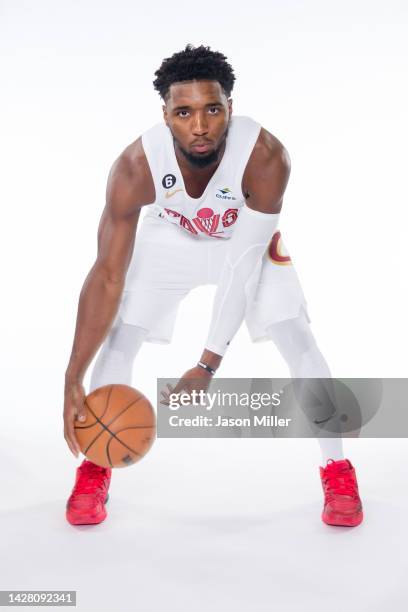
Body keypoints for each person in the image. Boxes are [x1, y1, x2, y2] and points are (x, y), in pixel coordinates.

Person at [64, 45, 363, 527]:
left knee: (298, 338)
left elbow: (242, 266)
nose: (199, 126)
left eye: (212, 110)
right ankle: (95, 466)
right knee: (121, 336)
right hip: (171, 240)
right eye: (183, 113)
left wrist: (207, 363)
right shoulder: (135, 167)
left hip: (241, 242)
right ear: (165, 115)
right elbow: (107, 275)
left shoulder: (265, 157)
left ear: (230, 108)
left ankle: (338, 467)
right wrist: (71, 375)